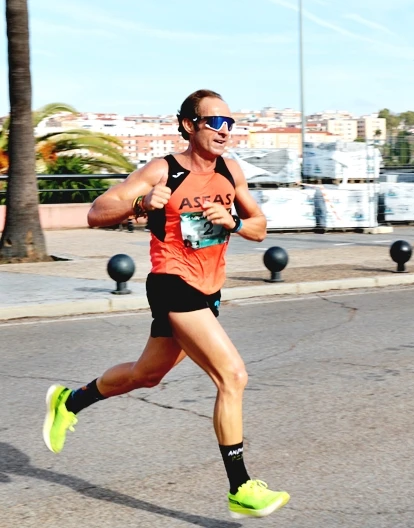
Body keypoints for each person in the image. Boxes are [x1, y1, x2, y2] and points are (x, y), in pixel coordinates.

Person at [42, 89, 290, 519]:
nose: (224, 131)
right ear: (190, 125)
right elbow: (97, 211)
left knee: (147, 375)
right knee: (233, 376)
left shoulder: (231, 172)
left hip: (208, 289)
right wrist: (139, 204)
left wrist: (234, 222)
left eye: (229, 124)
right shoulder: (164, 170)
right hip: (173, 283)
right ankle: (241, 486)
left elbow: (260, 227)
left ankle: (69, 401)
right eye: (215, 122)